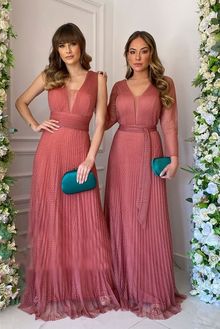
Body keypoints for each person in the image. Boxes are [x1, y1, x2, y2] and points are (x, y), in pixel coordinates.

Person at [15, 23, 119, 321]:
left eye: (73, 44)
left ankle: (83, 286)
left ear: (81, 46)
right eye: (62, 45)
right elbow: (21, 101)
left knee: (84, 219)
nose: (68, 50)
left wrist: (89, 159)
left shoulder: (97, 78)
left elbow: (100, 123)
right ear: (57, 49)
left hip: (79, 152)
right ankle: (55, 286)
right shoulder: (50, 76)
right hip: (49, 153)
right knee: (52, 219)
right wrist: (36, 125)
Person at [104, 31, 186, 319]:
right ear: (126, 55)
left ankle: (149, 287)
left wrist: (174, 158)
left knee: (148, 217)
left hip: (151, 149)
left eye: (143, 51)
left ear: (152, 53)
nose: (137, 57)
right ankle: (121, 282)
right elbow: (106, 120)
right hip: (121, 153)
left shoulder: (165, 84)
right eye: (132, 51)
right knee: (122, 214)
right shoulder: (117, 86)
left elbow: (170, 124)